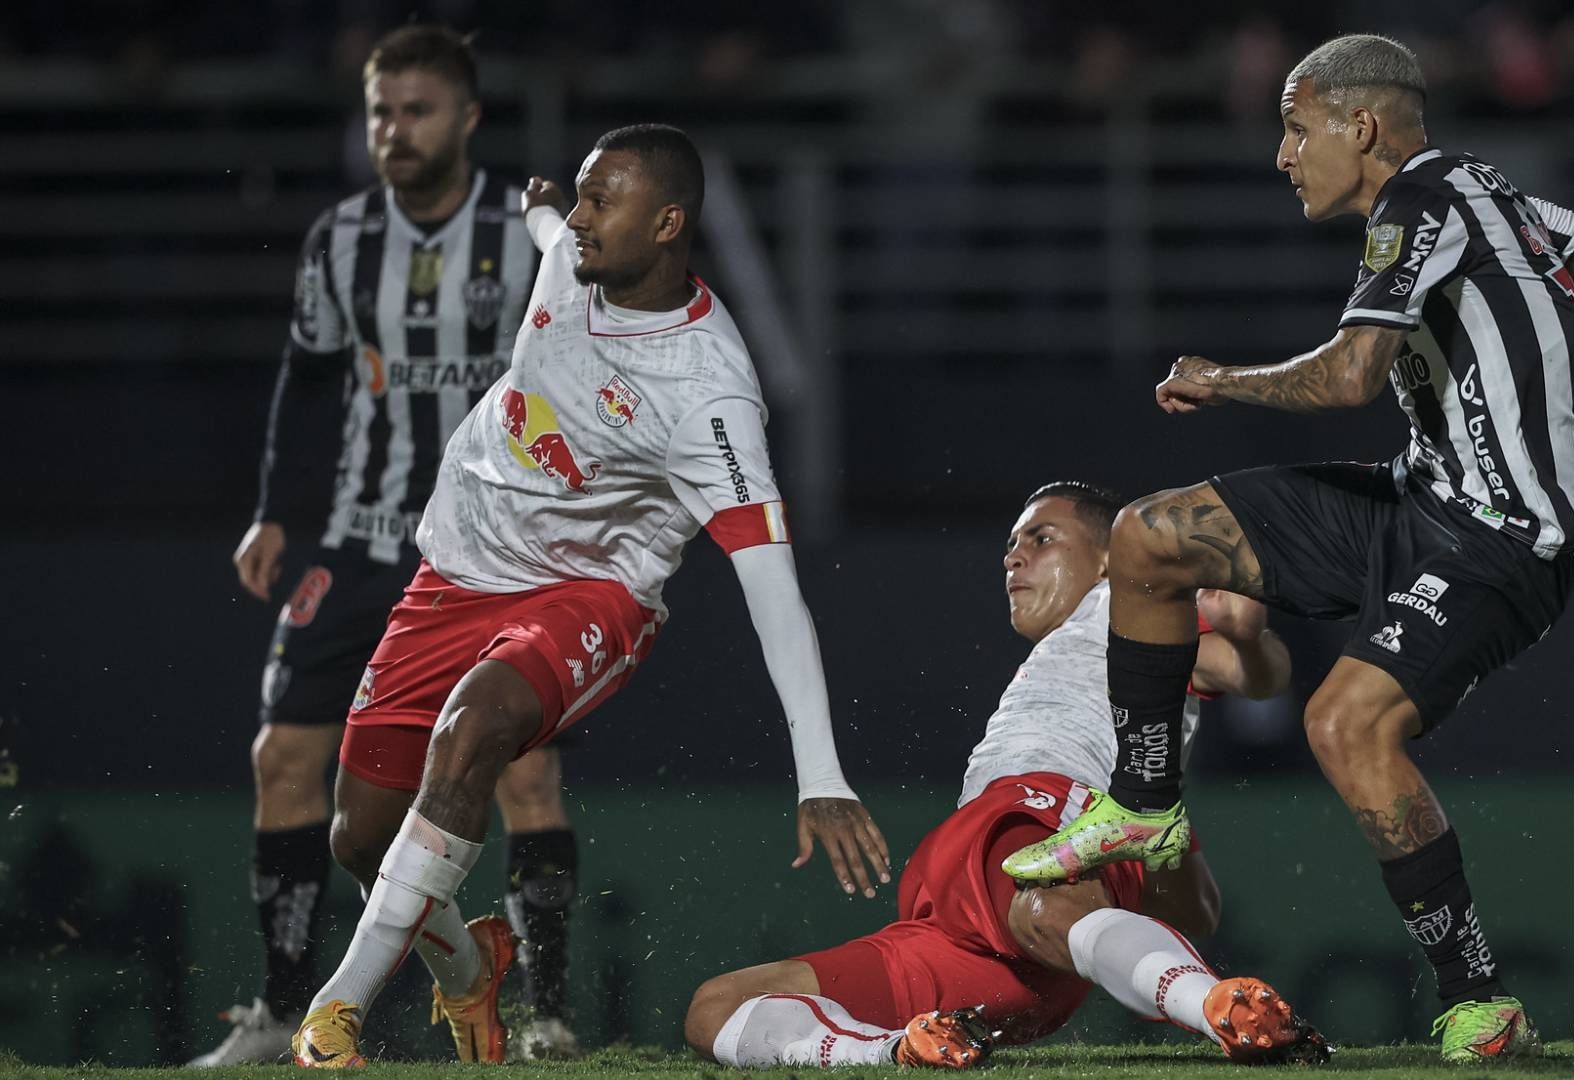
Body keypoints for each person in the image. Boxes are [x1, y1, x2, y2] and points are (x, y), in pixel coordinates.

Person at [1003, 33, 1574, 1063]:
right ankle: (1143, 805)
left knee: (1343, 724)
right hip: (1418, 498)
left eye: (1295, 127)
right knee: (1147, 539)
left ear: (1358, 127)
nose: (1283, 155)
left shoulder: (1419, 198)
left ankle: (1479, 995)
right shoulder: (1481, 191)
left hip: (1502, 542)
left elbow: (1355, 375)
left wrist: (1223, 382)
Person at [287, 123, 892, 1068]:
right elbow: (547, 234)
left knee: (473, 729)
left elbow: (776, 594)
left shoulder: (710, 395)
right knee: (359, 840)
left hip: (587, 592)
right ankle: (468, 969)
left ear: (667, 224)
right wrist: (539, 205)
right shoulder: (575, 256)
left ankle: (336, 1010)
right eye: (577, 196)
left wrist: (820, 774)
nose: (577, 220)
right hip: (453, 572)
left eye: (599, 202)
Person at [200, 25, 586, 1065]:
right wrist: (276, 510)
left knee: (526, 777)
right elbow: (310, 377)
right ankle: (284, 1005)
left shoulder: (528, 234)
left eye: (416, 111)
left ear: (465, 117)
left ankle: (544, 1013)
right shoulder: (339, 239)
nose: (394, 131)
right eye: (380, 112)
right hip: (361, 540)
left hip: (494, 551)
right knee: (283, 761)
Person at [682, 483, 1329, 1069]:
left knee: (1041, 894)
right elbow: (1199, 911)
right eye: (1010, 546)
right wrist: (1170, 839)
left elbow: (1252, 671)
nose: (1013, 559)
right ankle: (895, 1052)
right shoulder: (1083, 650)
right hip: (985, 932)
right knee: (717, 1007)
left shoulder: (1128, 602)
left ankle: (1221, 1009)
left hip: (1040, 842)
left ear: (1110, 558)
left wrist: (1247, 639)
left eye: (1041, 539)